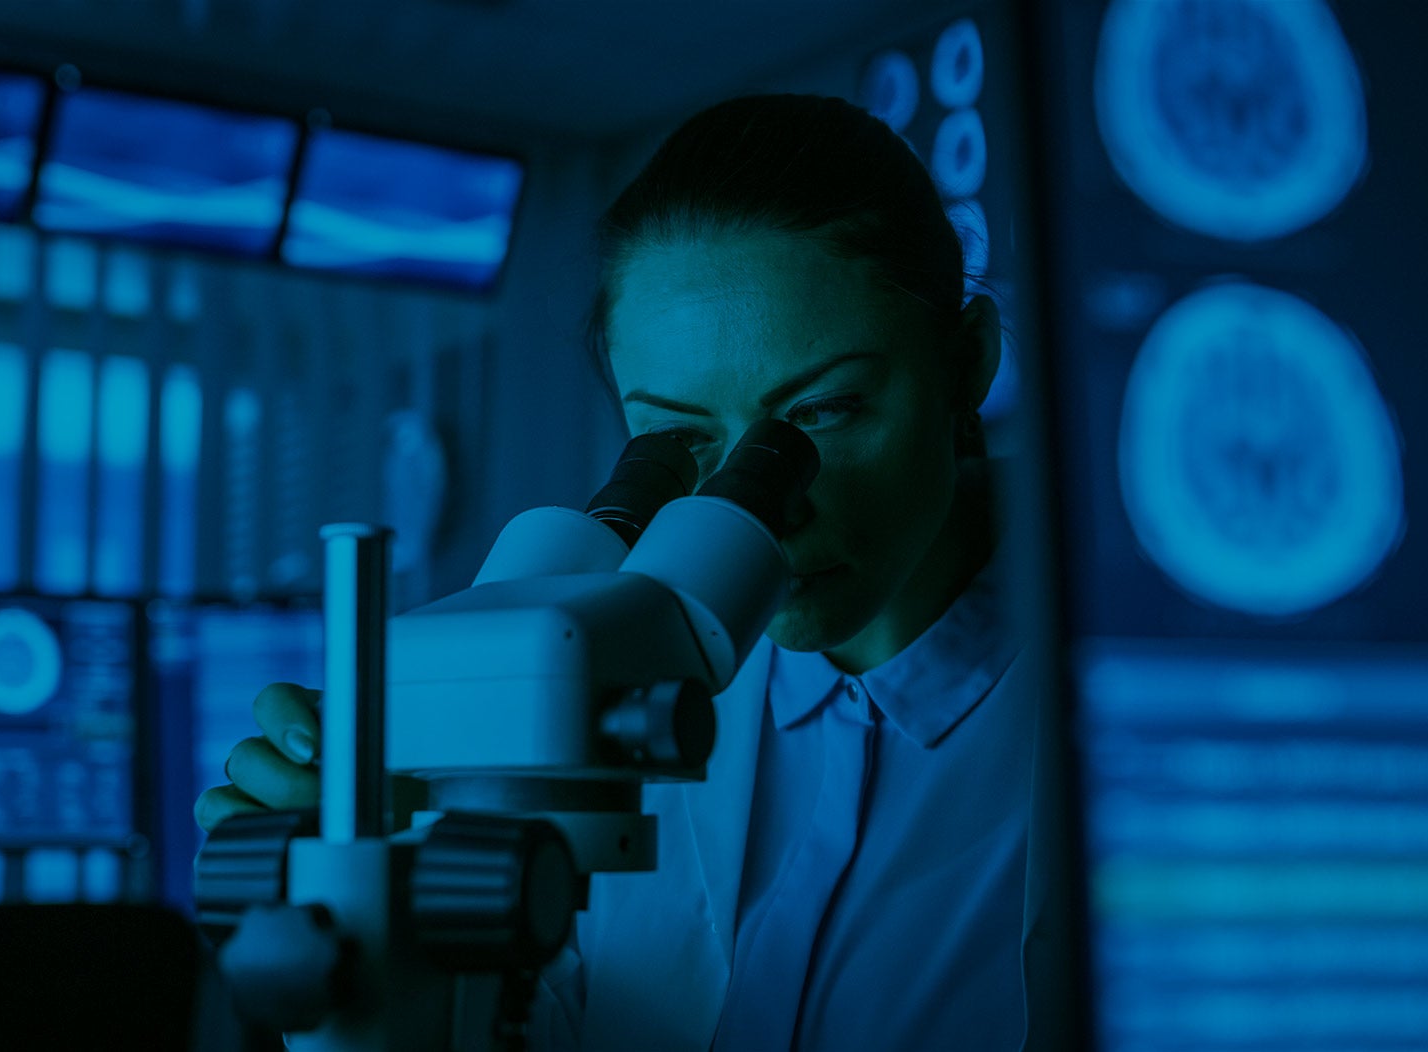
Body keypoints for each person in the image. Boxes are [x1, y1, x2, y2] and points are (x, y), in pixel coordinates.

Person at [195, 94, 1065, 1050]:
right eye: (676, 440)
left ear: (970, 361)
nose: (769, 507)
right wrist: (371, 905)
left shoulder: (1139, 694)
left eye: (823, 413)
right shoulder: (617, 677)